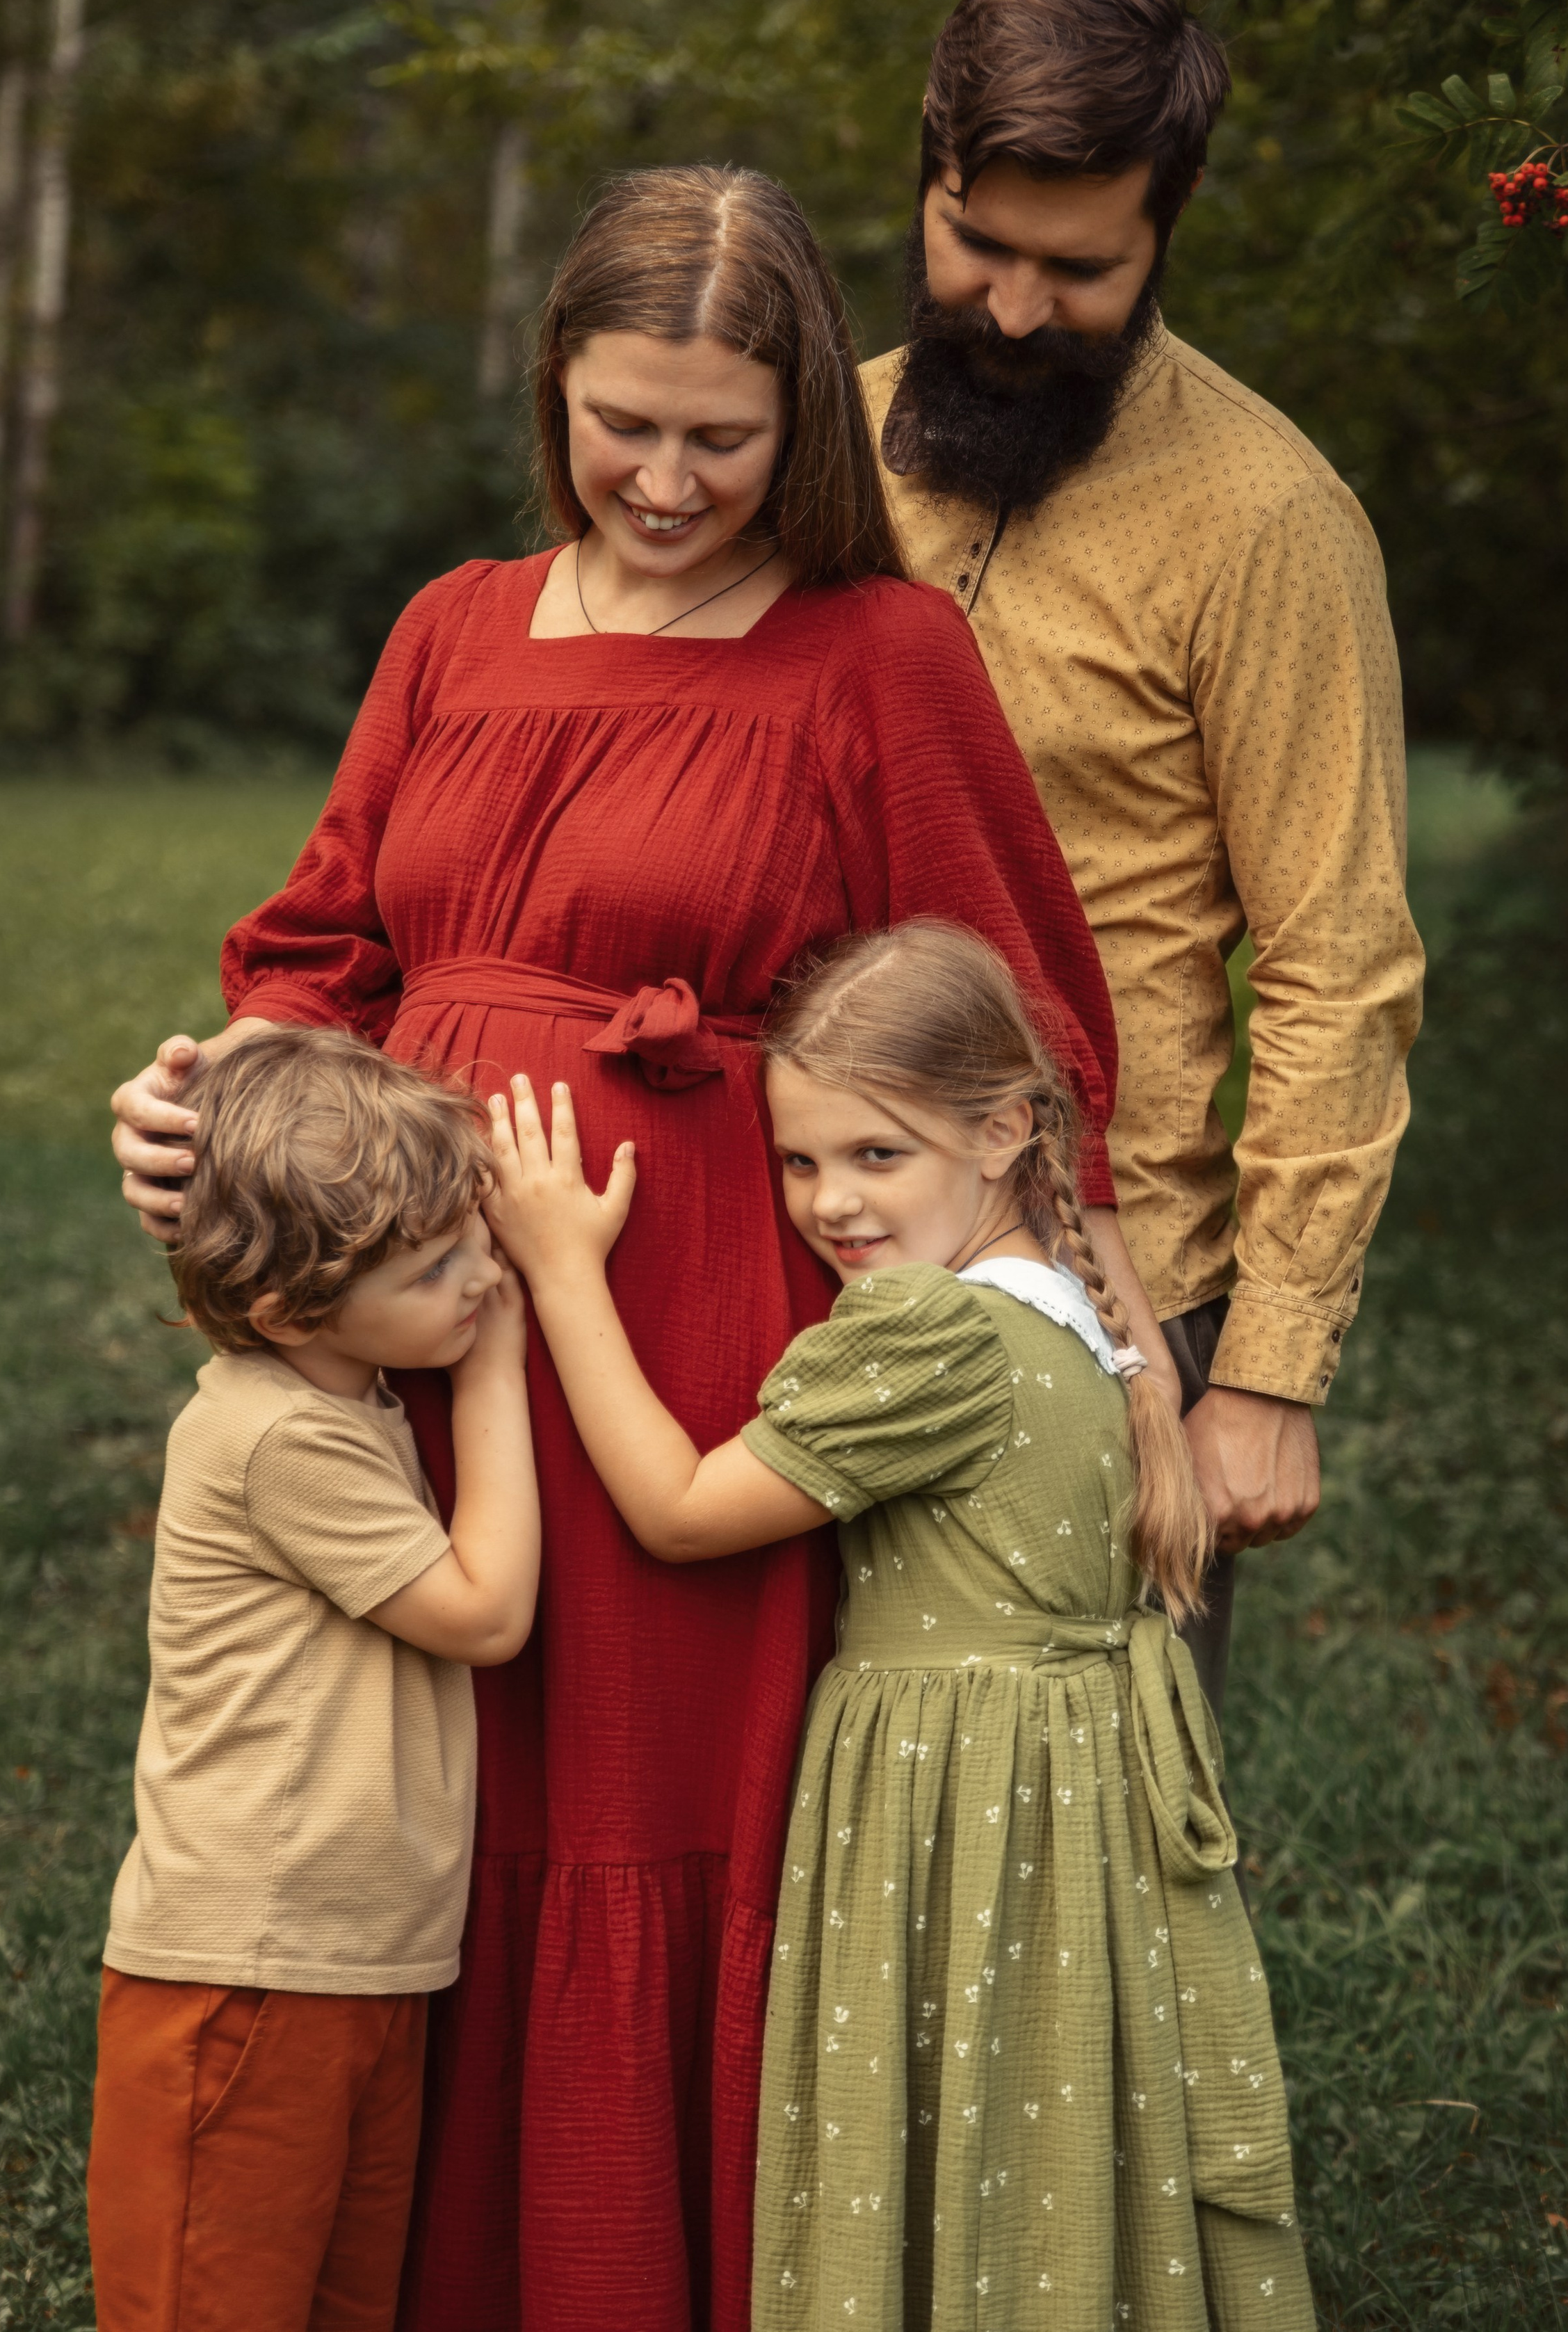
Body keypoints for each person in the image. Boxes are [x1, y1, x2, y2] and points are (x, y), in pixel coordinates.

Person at [106, 165, 1170, 2332]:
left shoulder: (879, 652)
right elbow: (322, 952)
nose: (667, 480)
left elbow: (1026, 1015)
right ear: (552, 395)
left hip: (684, 1316)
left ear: (804, 426)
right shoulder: (455, 630)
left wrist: (1127, 1341)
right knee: (424, 1789)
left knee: (636, 1808)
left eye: (723, 435)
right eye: (623, 424)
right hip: (416, 1311)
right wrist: (214, 1099)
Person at [481, 919, 1314, 2332]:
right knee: (1040, 2102)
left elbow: (680, 1509)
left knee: (949, 2102)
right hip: (1065, 1787)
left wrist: (561, 1275)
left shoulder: (929, 1333)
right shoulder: (1067, 1301)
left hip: (961, 1800)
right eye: (800, 1161)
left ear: (1002, 1131)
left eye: (877, 1157)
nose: (828, 1204)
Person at [861, 0, 1426, 1721]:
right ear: (925, 174)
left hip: (1104, 1304)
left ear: (1165, 230)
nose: (1014, 310)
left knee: (1083, 1867)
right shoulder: (807, 445)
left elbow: (1337, 956)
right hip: (775, 1258)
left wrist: (1264, 1370)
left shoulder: (1266, 516)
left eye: (1078, 267)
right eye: (978, 244)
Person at [87, 1028, 537, 2332]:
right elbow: (485, 1611)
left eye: (472, 1237)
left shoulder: (352, 1397)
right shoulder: (276, 1431)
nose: (480, 1276)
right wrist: (499, 1369)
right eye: (435, 1266)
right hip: (248, 1971)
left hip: (357, 1963)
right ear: (289, 1314)